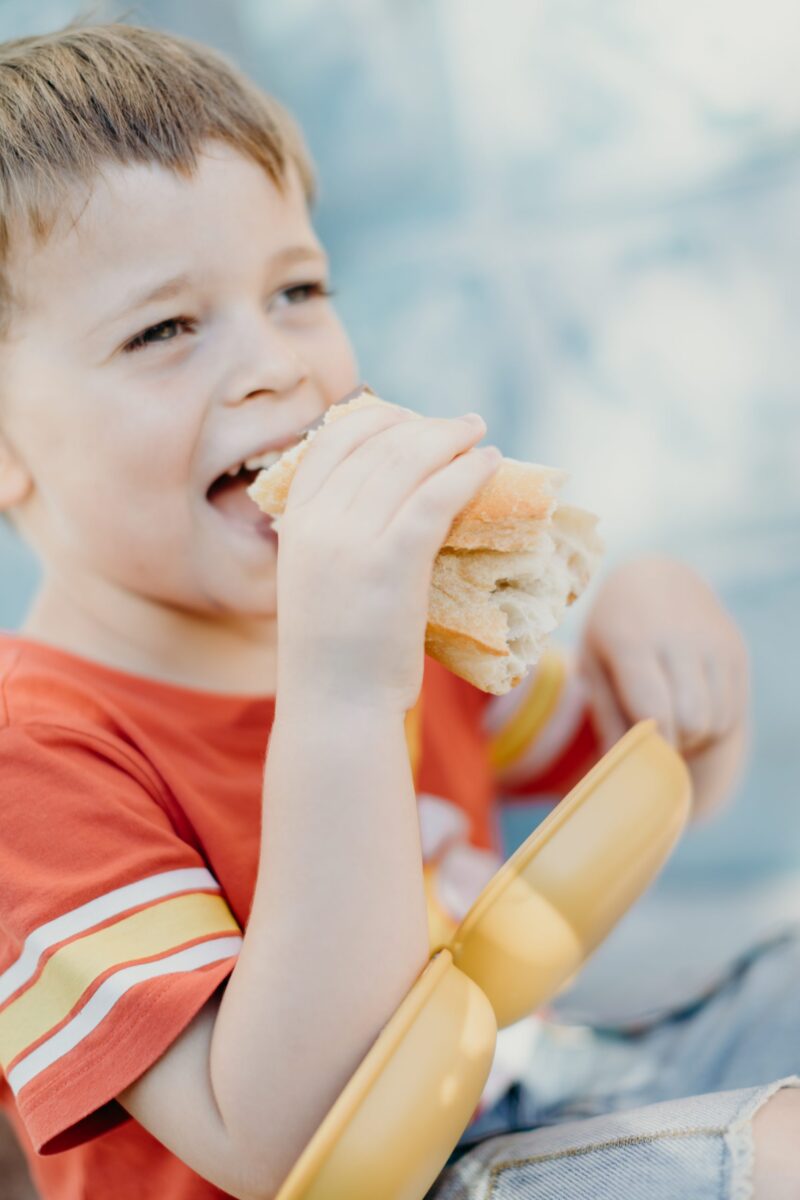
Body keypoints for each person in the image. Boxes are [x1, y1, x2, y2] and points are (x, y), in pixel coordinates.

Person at [0, 21, 795, 1200]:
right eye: (164, 328)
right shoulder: (38, 761)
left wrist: (660, 639)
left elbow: (639, 778)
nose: (277, 363)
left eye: (298, 290)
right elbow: (290, 1144)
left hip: (523, 1094)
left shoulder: (398, 609)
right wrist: (341, 687)